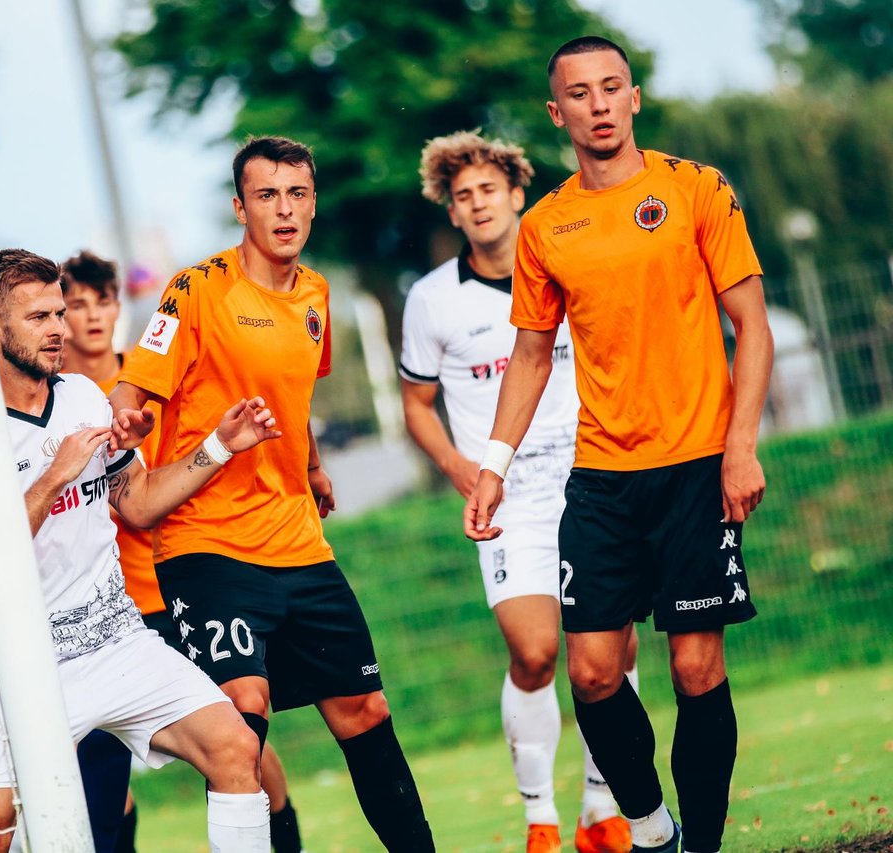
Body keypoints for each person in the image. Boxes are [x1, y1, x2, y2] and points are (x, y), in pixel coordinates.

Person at [467, 37, 773, 853]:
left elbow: (752, 325)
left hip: (697, 467)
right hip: (602, 476)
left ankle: (701, 845)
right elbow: (532, 354)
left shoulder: (695, 187)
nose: (598, 103)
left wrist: (741, 446)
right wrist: (493, 466)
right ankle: (650, 828)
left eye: (611, 87)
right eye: (580, 92)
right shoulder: (545, 224)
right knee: (594, 671)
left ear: (633, 97)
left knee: (695, 669)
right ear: (556, 111)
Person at [109, 136, 435, 852]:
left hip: (297, 542)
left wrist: (312, 466)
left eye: (297, 194)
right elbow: (132, 388)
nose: (284, 210)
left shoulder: (316, 294)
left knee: (365, 710)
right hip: (207, 541)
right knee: (242, 709)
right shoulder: (196, 289)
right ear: (240, 207)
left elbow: (293, 397)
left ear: (313, 205)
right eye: (267, 196)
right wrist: (126, 423)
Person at [0, 248, 280, 852]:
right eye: (38, 317)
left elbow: (137, 503)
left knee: (236, 747)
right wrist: (54, 477)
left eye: (58, 314)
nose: (58, 330)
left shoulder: (84, 397)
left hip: (118, 641)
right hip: (21, 664)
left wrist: (220, 446)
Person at [401, 131, 636, 853]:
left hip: (592, 482)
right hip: (510, 502)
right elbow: (416, 405)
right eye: (462, 196)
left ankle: (602, 808)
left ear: (516, 194)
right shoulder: (432, 300)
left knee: (614, 653)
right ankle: (541, 818)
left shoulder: (565, 266)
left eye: (488, 190)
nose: (478, 204)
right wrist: (459, 467)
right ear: (451, 211)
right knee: (535, 652)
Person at [60, 251, 304, 853]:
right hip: (107, 609)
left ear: (118, 307)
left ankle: (286, 839)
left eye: (103, 302)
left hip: (176, 585)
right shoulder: (59, 400)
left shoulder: (151, 379)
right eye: (76, 306)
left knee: (241, 738)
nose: (92, 317)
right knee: (102, 771)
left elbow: (180, 468)